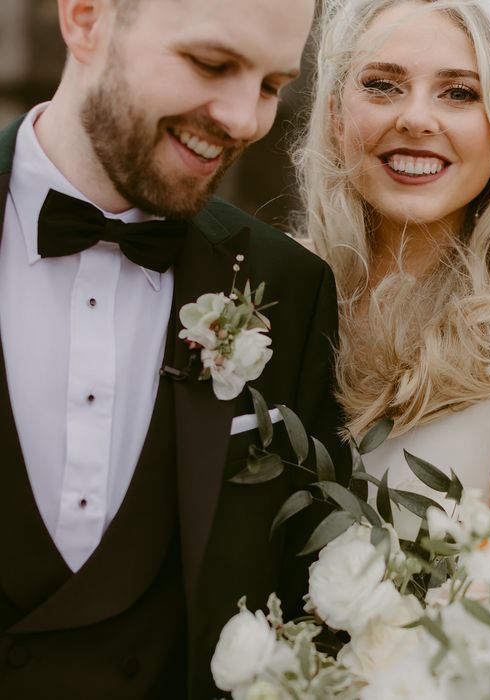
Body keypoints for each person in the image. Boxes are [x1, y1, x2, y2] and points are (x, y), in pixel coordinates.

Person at [0, 1, 346, 698]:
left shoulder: (290, 288)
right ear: (87, 18)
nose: (245, 119)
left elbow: (308, 601)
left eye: (273, 85)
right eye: (212, 64)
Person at [295, 0, 490, 518]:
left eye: (460, 93)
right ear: (337, 117)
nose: (415, 118)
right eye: (382, 85)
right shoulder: (262, 297)